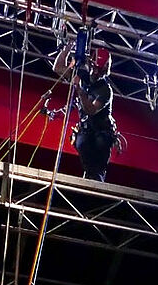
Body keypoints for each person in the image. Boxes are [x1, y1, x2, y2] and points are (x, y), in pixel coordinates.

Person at [53, 40, 123, 182]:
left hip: (101, 131)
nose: (97, 73)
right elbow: (58, 68)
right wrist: (68, 49)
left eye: (101, 71)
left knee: (99, 143)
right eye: (96, 69)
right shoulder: (83, 76)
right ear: (91, 64)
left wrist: (79, 90)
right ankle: (91, 173)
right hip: (86, 129)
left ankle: (97, 174)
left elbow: (90, 110)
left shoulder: (105, 90)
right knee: (82, 142)